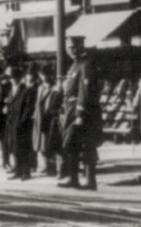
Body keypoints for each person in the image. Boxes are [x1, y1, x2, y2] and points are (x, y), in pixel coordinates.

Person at [58, 35, 102, 190]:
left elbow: (85, 91)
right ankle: (74, 178)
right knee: (73, 145)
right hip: (71, 111)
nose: (71, 51)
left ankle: (90, 181)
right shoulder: (75, 65)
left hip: (83, 112)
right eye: (69, 48)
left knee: (86, 145)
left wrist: (79, 114)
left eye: (74, 47)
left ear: (81, 47)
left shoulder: (86, 64)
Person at [5, 65, 37, 180]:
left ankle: (26, 172)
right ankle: (18, 170)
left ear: (20, 78)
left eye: (15, 77)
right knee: (14, 148)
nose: (13, 79)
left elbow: (29, 108)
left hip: (22, 124)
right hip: (12, 123)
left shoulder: (26, 90)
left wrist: (22, 122)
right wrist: (6, 109)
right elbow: (10, 104)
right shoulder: (11, 90)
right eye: (11, 77)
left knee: (23, 148)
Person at [34, 65, 61, 176]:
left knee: (50, 142)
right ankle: (45, 165)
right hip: (40, 118)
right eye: (41, 75)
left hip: (50, 118)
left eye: (45, 75)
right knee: (41, 142)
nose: (43, 77)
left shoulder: (55, 87)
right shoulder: (40, 87)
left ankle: (53, 167)